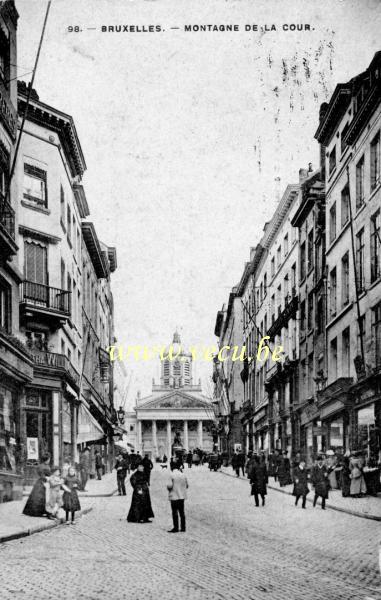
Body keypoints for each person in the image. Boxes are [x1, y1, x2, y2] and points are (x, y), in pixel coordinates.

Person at [167, 461, 189, 533]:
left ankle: (176, 528)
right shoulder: (183, 475)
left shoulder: (171, 475)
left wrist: (169, 488)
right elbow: (187, 485)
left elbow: (169, 486)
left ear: (172, 467)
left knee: (175, 512)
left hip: (174, 496)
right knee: (182, 512)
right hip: (182, 496)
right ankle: (183, 528)